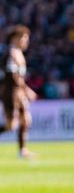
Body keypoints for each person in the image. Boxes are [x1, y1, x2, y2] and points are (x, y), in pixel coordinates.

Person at [0, 25, 36, 158]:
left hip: (18, 92)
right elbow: (11, 76)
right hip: (10, 92)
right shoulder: (10, 53)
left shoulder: (18, 53)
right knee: (11, 125)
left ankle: (23, 150)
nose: (26, 41)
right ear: (14, 38)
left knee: (25, 120)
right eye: (23, 38)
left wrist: (23, 90)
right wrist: (26, 89)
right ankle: (22, 150)